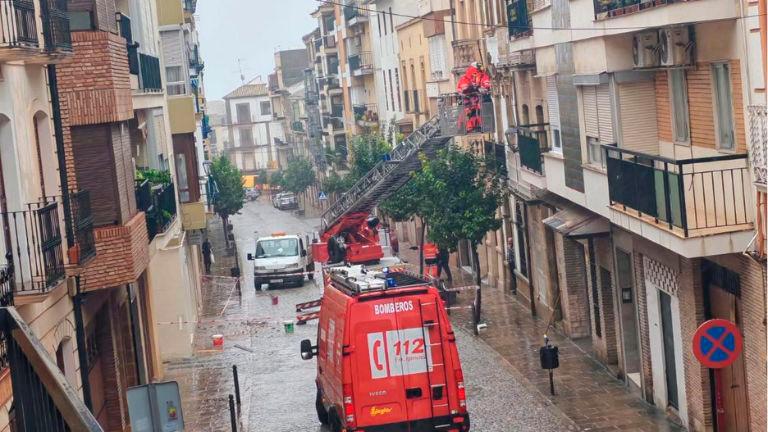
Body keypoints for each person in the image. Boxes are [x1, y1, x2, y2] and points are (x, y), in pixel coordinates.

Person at [456, 61, 491, 133]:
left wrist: (481, 88)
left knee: (478, 113)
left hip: (477, 101)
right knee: (468, 113)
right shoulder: (465, 78)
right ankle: (467, 127)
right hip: (468, 101)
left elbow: (486, 84)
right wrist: (474, 88)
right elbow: (464, 88)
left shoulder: (482, 76)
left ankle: (477, 126)